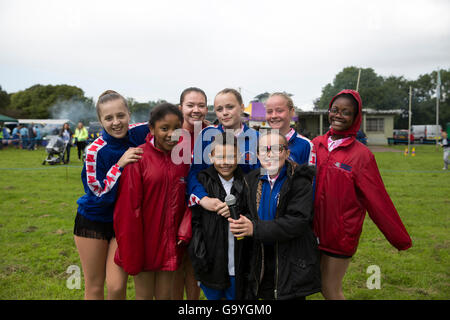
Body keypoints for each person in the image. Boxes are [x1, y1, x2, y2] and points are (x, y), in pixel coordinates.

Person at [312, 89, 412, 300]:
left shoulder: (362, 156)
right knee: (312, 284)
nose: (338, 115)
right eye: (334, 110)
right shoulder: (315, 145)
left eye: (345, 112)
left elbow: (378, 200)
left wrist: (399, 238)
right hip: (311, 231)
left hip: (340, 235)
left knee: (329, 289)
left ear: (355, 118)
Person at [74, 90, 149, 300]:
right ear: (100, 121)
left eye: (120, 115)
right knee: (95, 287)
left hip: (122, 223)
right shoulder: (94, 151)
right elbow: (98, 194)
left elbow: (167, 122)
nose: (116, 122)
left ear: (129, 114)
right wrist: (119, 165)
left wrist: (201, 124)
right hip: (93, 221)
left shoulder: (138, 132)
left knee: (116, 287)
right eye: (108, 118)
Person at [228, 131, 321, 300]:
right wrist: (243, 221)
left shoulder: (299, 180)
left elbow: (297, 222)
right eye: (265, 149)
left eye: (278, 149)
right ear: (257, 154)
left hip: (290, 261)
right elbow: (249, 210)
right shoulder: (252, 180)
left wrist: (254, 228)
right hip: (262, 258)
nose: (270, 154)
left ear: (287, 152)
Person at [113, 103, 192, 300]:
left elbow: (189, 197)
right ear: (152, 129)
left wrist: (184, 228)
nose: (171, 134)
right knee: (144, 296)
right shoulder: (138, 158)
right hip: (144, 242)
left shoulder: (183, 160)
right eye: (164, 128)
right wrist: (132, 249)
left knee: (166, 296)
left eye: (176, 128)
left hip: (171, 242)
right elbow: (128, 209)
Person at [188, 132, 248, 300]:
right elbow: (196, 223)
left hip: (239, 263)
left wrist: (238, 210)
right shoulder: (202, 181)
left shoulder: (247, 182)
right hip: (211, 262)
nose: (225, 162)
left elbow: (254, 214)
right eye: (220, 156)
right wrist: (199, 255)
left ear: (240, 156)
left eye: (231, 156)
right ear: (210, 156)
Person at [187, 88, 259, 210]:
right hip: (212, 210)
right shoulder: (206, 135)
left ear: (242, 107)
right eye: (219, 109)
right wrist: (203, 198)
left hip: (245, 209)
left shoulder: (257, 138)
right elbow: (194, 173)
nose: (224, 113)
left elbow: (260, 179)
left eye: (230, 107)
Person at [172, 87, 209, 300]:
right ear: (180, 108)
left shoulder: (215, 133)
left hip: (202, 205)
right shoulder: (170, 131)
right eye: (190, 105)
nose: (196, 110)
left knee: (197, 261)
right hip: (175, 205)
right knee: (176, 263)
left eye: (201, 105)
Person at [265, 92, 315, 166]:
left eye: (279, 111)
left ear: (291, 112)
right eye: (269, 112)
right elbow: (261, 174)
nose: (274, 115)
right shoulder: (261, 143)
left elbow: (311, 176)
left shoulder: (306, 145)